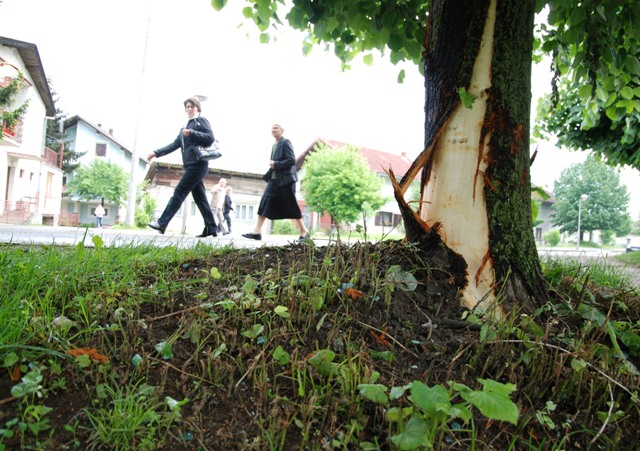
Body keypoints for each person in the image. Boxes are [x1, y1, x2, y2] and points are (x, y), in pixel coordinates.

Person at [146, 97, 218, 237]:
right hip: (191, 165)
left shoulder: (200, 121)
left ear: (197, 108)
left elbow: (210, 137)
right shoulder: (184, 128)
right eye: (187, 107)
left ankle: (162, 223)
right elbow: (174, 145)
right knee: (200, 198)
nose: (189, 109)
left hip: (198, 164)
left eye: (192, 106)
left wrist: (192, 133)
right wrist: (156, 153)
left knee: (179, 191)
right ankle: (211, 228)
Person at [242, 123, 310, 242]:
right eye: (272, 128)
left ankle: (304, 231)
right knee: (265, 202)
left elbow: (291, 161)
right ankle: (257, 231)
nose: (273, 130)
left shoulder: (285, 142)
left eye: (276, 128)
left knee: (291, 205)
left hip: (285, 180)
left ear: (282, 131)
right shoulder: (274, 145)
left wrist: (275, 164)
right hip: (274, 179)